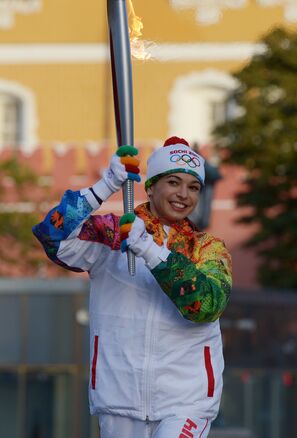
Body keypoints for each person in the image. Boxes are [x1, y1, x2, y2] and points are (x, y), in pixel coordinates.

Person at [33, 137, 232, 438]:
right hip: (118, 400)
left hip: (186, 402)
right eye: (174, 182)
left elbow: (206, 306)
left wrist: (150, 251)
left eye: (193, 187)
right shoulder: (112, 235)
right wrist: (106, 185)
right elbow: (52, 236)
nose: (183, 195)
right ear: (150, 186)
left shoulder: (207, 249)